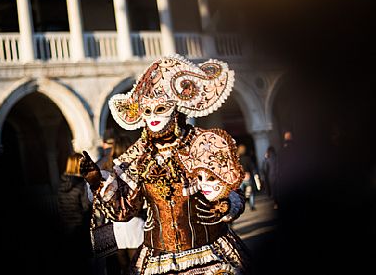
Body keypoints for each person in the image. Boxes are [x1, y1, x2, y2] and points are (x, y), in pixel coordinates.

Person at [81, 54, 250, 275]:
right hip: (158, 259)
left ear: (176, 110)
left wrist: (226, 205)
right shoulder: (139, 156)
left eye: (160, 109)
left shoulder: (203, 145)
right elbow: (123, 211)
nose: (153, 117)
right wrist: (97, 181)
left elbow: (232, 192)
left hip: (210, 250)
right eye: (148, 111)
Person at [99, 134, 146, 275]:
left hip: (116, 227)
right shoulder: (137, 169)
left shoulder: (107, 171)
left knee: (123, 268)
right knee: (138, 267)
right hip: (136, 225)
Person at [56, 152, 92, 274]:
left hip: (65, 227)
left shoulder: (60, 185)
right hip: (80, 228)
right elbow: (86, 207)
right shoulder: (81, 185)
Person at [238, 144, 259, 211]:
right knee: (251, 192)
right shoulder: (248, 158)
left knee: (240, 193)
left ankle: (240, 206)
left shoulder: (238, 159)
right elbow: (252, 167)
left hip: (241, 178)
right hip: (248, 176)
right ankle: (252, 205)